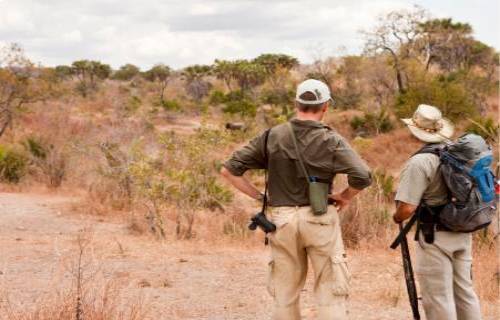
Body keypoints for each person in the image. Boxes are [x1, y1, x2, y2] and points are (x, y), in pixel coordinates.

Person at [221, 79, 372, 320]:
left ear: (296, 103)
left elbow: (229, 170)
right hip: (319, 218)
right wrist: (344, 197)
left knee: (285, 292)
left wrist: (261, 197)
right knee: (329, 288)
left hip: (281, 220)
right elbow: (363, 175)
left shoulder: (273, 135)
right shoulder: (331, 139)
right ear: (326, 106)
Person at [393, 104, 482, 320]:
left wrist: (396, 217)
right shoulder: (458, 153)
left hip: (434, 236)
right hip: (463, 231)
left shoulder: (420, 161)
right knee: (465, 293)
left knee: (438, 297)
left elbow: (407, 208)